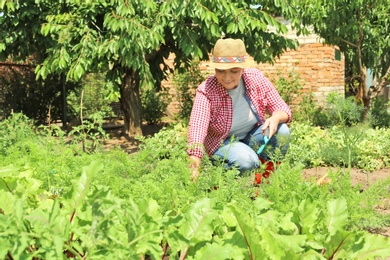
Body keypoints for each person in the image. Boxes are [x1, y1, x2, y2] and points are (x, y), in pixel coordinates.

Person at [187, 38, 291, 181]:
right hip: (222, 143)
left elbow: (281, 107)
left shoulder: (255, 78)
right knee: (246, 160)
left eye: (234, 71)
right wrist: (193, 169)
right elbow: (197, 131)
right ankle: (219, 179)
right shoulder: (207, 91)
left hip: (252, 136)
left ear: (242, 68)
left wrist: (275, 118)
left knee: (283, 132)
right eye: (221, 71)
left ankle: (266, 182)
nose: (227, 77)